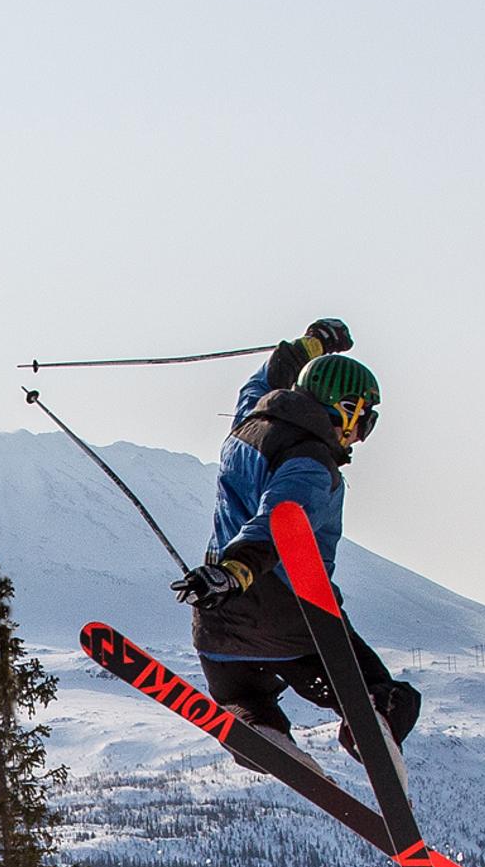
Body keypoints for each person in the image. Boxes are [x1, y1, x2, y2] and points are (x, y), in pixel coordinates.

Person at [176, 319, 422, 757]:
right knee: (389, 695)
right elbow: (279, 519)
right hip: (290, 619)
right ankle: (371, 726)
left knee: (243, 698)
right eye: (364, 419)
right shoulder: (310, 463)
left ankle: (259, 727)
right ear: (345, 408)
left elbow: (269, 373)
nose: (360, 435)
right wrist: (237, 570)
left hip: (216, 630)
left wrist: (315, 344)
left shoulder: (249, 419)